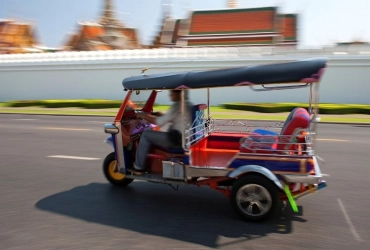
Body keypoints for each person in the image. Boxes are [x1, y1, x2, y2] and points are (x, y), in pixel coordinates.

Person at [133, 89, 193, 171]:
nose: (170, 95)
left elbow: (158, 122)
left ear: (179, 94)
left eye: (172, 93)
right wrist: (160, 115)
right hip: (185, 139)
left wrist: (143, 116)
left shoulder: (178, 105)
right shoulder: (188, 104)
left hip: (176, 140)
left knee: (146, 135)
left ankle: (138, 166)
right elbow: (176, 118)